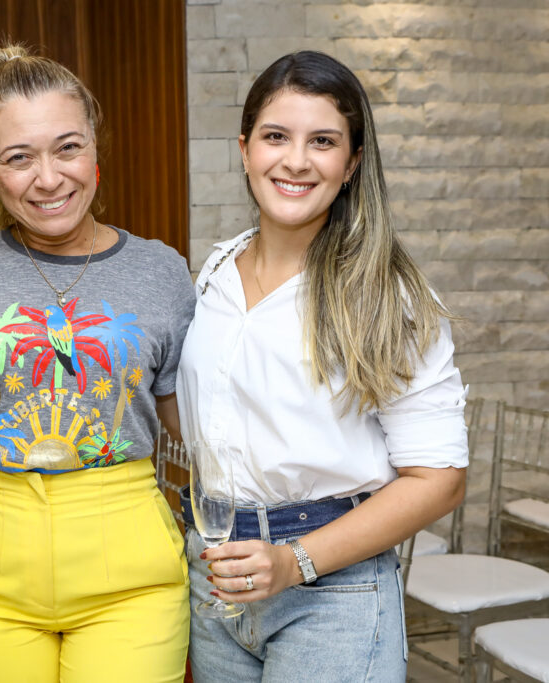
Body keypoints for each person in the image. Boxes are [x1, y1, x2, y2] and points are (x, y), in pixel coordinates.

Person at [176, 50, 468, 681]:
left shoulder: (389, 294)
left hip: (334, 591)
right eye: (276, 137)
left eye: (323, 141)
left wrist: (294, 561)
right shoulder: (215, 271)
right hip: (215, 576)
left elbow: (439, 479)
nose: (296, 161)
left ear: (352, 162)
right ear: (245, 149)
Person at [0, 44, 196, 683]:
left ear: (95, 150)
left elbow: (192, 430)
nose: (49, 178)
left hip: (132, 575)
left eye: (67, 148)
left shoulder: (161, 270)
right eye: (19, 157)